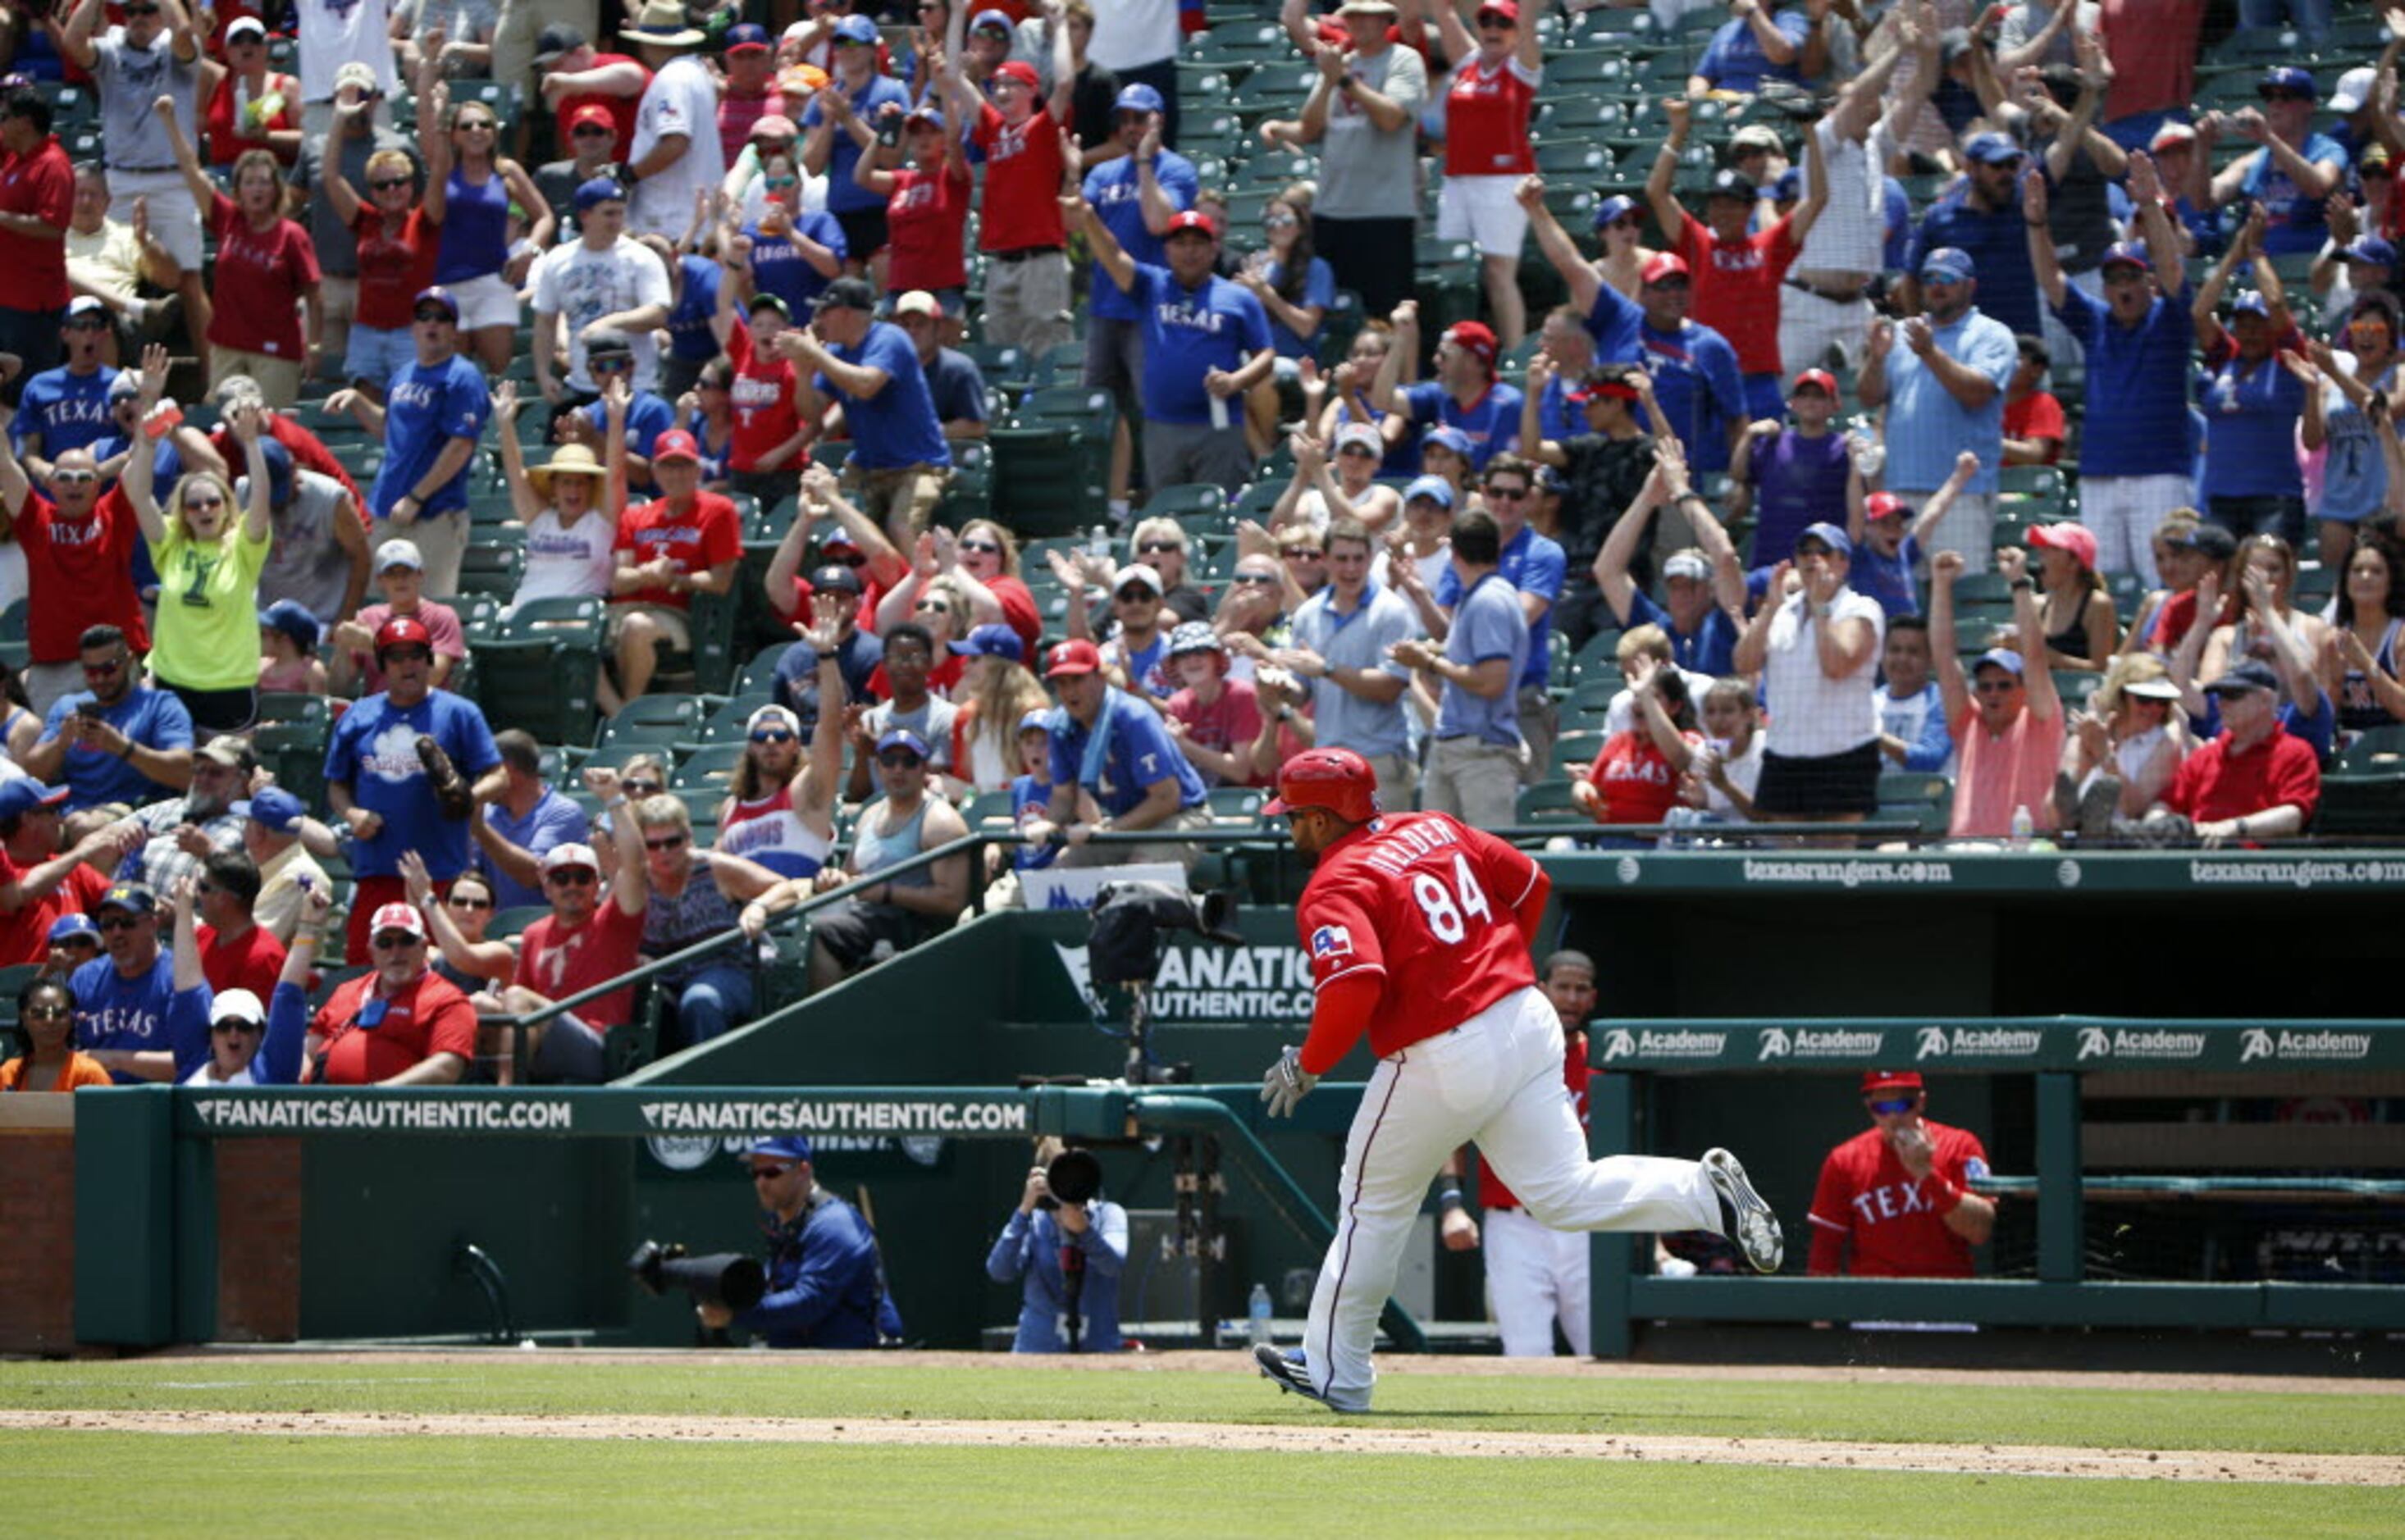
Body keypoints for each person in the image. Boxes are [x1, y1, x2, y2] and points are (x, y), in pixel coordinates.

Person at [1252, 748, 1781, 1413]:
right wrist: (1490, 966)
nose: (1290, 829)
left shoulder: (1333, 883)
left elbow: (1357, 982)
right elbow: (1531, 882)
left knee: (1371, 1205)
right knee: (1563, 1191)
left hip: (1446, 1049)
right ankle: (1703, 1193)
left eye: (1296, 816)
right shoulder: (1435, 826)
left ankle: (1338, 1372)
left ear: (1326, 819)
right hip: (1527, 1018)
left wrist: (1309, 1064)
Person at [2029, 162, 2191, 583]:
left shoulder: (2168, 320)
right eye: (2115, 279)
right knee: (2098, 587)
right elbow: (2052, 280)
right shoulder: (2096, 321)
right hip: (2099, 474)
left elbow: (2173, 271)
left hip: (2158, 475)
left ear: (2148, 283)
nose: (2124, 287)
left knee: (2165, 586)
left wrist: (2149, 207)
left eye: (2132, 278)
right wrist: (2036, 223)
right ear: (2104, 287)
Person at [1438, 950, 1597, 1356]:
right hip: (1514, 1222)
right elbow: (1452, 1129)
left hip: (1585, 1220)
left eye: (1581, 990)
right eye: (1563, 987)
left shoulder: (1602, 1063)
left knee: (1603, 1346)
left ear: (1593, 998)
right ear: (1541, 991)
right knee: (1526, 1352)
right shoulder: (1505, 1056)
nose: (1572, 998)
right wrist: (1453, 1203)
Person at [324, 614, 506, 963]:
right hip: (378, 869)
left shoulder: (459, 713)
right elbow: (337, 785)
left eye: (415, 655)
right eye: (396, 657)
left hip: (440, 872)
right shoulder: (358, 716)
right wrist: (351, 813)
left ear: (428, 660)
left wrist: (469, 796)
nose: (407, 665)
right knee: (367, 974)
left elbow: (499, 776)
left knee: (437, 973)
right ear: (382, 665)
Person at [1068, 197, 1273, 499]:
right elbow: (1113, 256)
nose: (1189, 251)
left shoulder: (1237, 298)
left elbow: (1266, 355)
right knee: (1168, 516)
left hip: (1218, 427)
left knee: (1220, 511)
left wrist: (1236, 381)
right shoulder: (1152, 285)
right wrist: (1088, 218)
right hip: (1162, 425)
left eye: (1198, 243)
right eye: (1181, 243)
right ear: (1167, 250)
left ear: (1214, 248)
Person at [1648, 102, 1829, 421]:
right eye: (1716, 205)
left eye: (1732, 205)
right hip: (1705, 376)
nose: (1722, 213)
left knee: (1762, 465)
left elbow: (1817, 199)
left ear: (1749, 210)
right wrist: (1677, 134)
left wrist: (1810, 133)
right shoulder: (1697, 241)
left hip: (1757, 380)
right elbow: (1657, 192)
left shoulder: (1770, 244)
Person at [121, 362, 275, 734]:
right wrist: (147, 425)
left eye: (213, 502)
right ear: (183, 513)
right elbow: (138, 494)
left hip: (229, 686)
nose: (204, 510)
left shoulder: (243, 546)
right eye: (194, 505)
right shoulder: (171, 541)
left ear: (226, 507)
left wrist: (251, 443)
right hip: (173, 684)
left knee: (228, 780)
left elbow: (260, 499)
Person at [60, 0, 211, 355]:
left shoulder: (175, 47)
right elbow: (72, 41)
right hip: (120, 183)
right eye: (131, 11)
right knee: (103, 279)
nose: (139, 18)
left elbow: (186, 33)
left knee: (189, 281)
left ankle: (213, 382)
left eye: (147, 10)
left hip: (172, 178)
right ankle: (107, 377)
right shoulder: (110, 48)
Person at [325, 285, 493, 599]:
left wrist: (417, 497)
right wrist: (358, 400)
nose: (432, 323)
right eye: (424, 316)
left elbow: (461, 446)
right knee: (376, 607)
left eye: (442, 318)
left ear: (454, 331)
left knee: (430, 611)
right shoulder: (402, 375)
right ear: (413, 326)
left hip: (436, 514)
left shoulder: (462, 376)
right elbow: (391, 428)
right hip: (387, 507)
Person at [484, 771, 650, 1084]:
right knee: (477, 1006)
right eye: (562, 878)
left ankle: (504, 1102)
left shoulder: (614, 921)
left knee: (517, 998)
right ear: (546, 888)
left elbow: (635, 866)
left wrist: (614, 799)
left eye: (582, 877)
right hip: (544, 1043)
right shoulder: (535, 934)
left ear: (596, 884)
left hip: (596, 1047)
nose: (572, 885)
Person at [1859, 248, 2017, 573]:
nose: (1937, 286)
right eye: (1930, 278)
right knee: (1904, 606)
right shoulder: (1903, 335)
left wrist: (1930, 352)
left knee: (1961, 603)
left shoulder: (1991, 335)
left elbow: (1976, 394)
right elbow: (1868, 397)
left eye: (1947, 279)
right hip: (1900, 494)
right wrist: (1875, 360)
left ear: (1969, 286)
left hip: (1961, 494)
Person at [156, 95, 321, 403]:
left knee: (269, 430)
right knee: (224, 429)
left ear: (276, 189)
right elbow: (191, 169)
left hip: (276, 351)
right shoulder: (228, 219)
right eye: (249, 183)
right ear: (238, 190)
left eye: (264, 182)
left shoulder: (292, 235)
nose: (257, 189)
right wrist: (169, 121)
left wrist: (313, 347)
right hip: (227, 347)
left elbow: (313, 293)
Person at [1079, 84, 1193, 516]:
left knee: (1155, 408)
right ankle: (1112, 504)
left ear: (1157, 122)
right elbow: (1075, 222)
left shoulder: (1177, 169)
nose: (1130, 127)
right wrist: (1072, 173)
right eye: (1124, 119)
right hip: (1105, 307)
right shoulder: (1102, 175)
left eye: (1139, 118)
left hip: (1153, 306)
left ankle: (1161, 497)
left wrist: (1145, 162)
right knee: (1102, 412)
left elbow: (1160, 220)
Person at [1732, 521, 1884, 827]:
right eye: (1805, 552)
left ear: (1843, 562)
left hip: (1843, 754)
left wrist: (1819, 607)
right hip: (1785, 753)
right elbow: (1744, 663)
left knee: (1834, 860)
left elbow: (1836, 665)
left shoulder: (1861, 609)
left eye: (1823, 552)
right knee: (1789, 863)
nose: (1812, 559)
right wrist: (1769, 609)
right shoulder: (1782, 612)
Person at [0, 417, 150, 718]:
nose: (74, 484)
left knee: (122, 756)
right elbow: (4, 464)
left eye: (84, 478)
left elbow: (144, 457)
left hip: (116, 664)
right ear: (51, 484)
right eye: (65, 477)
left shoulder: (115, 513)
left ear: (97, 485)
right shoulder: (36, 519)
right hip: (53, 666)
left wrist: (148, 398)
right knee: (49, 758)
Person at [786, 276, 952, 544]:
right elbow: (812, 414)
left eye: (824, 312)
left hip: (918, 465)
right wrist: (803, 374)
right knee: (835, 529)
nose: (818, 320)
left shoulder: (890, 338)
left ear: (845, 313)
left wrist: (816, 354)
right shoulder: (837, 351)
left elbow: (867, 385)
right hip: (868, 466)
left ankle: (922, 585)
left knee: (902, 528)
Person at [632, 791, 803, 1048]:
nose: (664, 852)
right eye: (653, 845)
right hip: (666, 981)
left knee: (701, 1000)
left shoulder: (715, 869)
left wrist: (758, 907)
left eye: (673, 842)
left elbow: (786, 888)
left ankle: (707, 1083)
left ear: (688, 837)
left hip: (731, 969)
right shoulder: (637, 883)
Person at [701, 1133, 903, 1348]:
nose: (761, 1182)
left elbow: (810, 1302)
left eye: (772, 1171)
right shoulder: (784, 1222)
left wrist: (735, 1313)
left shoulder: (835, 1223)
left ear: (803, 1169)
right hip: (804, 1362)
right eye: (756, 1172)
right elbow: (774, 1291)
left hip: (856, 1365)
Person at [1023, 639, 1212, 868]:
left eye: (1077, 680)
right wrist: (1050, 822)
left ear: (1099, 677)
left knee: (1138, 877)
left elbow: (1166, 798)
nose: (1070, 691)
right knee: (1062, 870)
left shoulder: (1133, 718)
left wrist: (1106, 830)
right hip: (1124, 820)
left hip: (1180, 815)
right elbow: (1064, 795)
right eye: (1060, 683)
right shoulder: (1060, 727)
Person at [1418, 0, 1541, 349]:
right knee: (1452, 271)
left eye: (1503, 23)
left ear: (1516, 33)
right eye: (1485, 21)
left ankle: (1513, 353)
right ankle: (1457, 349)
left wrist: (1527, 16)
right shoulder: (1470, 64)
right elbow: (1443, 12)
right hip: (1458, 179)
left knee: (1498, 272)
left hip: (1503, 180)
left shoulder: (1521, 69)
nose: (1493, 29)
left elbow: (1530, 26)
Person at [1291, 0, 1425, 321]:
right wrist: (1329, 80)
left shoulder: (1404, 59)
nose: (1361, 23)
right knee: (1333, 316)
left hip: (1384, 212)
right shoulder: (1338, 64)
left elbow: (1391, 118)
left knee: (1388, 315)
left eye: (1370, 17)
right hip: (1332, 210)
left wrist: (1346, 81)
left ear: (1385, 22)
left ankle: (1399, 372)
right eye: (1354, 16)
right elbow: (1309, 128)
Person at [1391, 507, 1524, 827]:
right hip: (1453, 745)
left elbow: (1492, 680)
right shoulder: (1476, 596)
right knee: (1439, 859)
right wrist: (1421, 598)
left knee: (1486, 862)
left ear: (1454, 551)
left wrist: (1429, 661)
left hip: (1482, 751)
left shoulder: (1489, 600)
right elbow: (1463, 652)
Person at [411, 65, 546, 378]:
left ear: (494, 132)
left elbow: (544, 217)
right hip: (447, 284)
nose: (476, 130)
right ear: (455, 134)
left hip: (494, 283)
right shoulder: (443, 167)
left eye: (484, 124)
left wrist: (529, 250)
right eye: (467, 125)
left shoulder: (507, 171)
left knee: (500, 374)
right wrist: (431, 65)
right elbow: (427, 128)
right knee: (450, 375)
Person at [806, 726, 968, 987]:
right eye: (889, 760)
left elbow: (952, 901)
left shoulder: (941, 822)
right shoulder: (870, 816)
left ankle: (825, 1024)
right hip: (868, 918)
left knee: (827, 932)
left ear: (924, 768)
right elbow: (852, 877)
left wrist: (887, 892)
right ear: (879, 766)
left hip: (915, 927)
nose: (898, 769)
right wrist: (834, 880)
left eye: (909, 761)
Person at [1275, 517, 1420, 794]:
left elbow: (1390, 687)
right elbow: (1300, 692)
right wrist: (1276, 688)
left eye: (1358, 559)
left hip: (1379, 760)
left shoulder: (1392, 611)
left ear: (1370, 559)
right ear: (1326, 560)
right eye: (1342, 559)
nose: (1351, 568)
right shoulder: (1308, 614)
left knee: (1379, 840)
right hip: (1328, 761)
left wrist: (1327, 668)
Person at [1931, 546, 2066, 839]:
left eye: (2004, 685)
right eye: (1985, 686)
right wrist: (1941, 586)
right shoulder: (1968, 723)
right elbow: (1943, 657)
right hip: (1966, 858)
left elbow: (2035, 657)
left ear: (2023, 689)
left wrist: (2019, 583)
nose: (1993, 693)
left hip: (2023, 858)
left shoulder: (2040, 722)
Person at [1806, 1070, 1995, 1278]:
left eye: (1903, 1105)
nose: (1894, 1117)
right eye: (1883, 1108)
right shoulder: (1845, 1160)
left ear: (1921, 1102)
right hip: (1876, 1299)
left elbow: (1980, 1231)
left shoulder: (1959, 1145)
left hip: (1947, 1295)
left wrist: (1926, 1174)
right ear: (1870, 1108)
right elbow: (1825, 1250)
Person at [605, 428, 739, 713]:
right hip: (624, 606)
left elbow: (721, 581)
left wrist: (674, 580)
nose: (676, 475)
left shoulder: (718, 511)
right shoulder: (636, 515)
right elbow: (618, 580)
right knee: (574, 633)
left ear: (697, 468)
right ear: (655, 470)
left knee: (636, 627)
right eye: (668, 466)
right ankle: (617, 714)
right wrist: (649, 574)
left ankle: (628, 713)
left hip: (678, 614)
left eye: (684, 465)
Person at [2127, 659, 2321, 845]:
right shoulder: (2206, 755)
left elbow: (2293, 815)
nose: (2221, 704)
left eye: (2233, 695)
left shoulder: (2295, 753)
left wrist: (2233, 828)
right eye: (2220, 696)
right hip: (2195, 852)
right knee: (2129, 835)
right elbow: (2167, 802)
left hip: (2250, 863)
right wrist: (2156, 826)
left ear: (2265, 699)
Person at [531, 180, 672, 418]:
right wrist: (543, 373)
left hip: (635, 385)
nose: (616, 220)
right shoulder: (558, 260)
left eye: (620, 213)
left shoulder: (641, 258)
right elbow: (545, 322)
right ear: (585, 215)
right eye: (608, 213)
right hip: (582, 384)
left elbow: (658, 314)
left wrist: (607, 324)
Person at [298, 897, 472, 1085]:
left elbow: (447, 1067)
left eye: (406, 941)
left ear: (423, 946)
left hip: (400, 1109)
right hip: (331, 1105)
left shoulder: (448, 999)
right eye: (385, 943)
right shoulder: (345, 991)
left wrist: (381, 1094)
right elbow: (309, 1052)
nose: (396, 952)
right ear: (371, 951)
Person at [23, 623, 195, 810]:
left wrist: (122, 747)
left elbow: (185, 774)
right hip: (72, 814)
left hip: (134, 815)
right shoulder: (67, 707)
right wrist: (60, 744)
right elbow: (31, 774)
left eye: (109, 669)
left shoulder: (160, 705)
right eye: (91, 671)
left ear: (129, 661)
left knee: (84, 825)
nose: (100, 679)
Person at [987, 1137, 1129, 1353]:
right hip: (1036, 1349)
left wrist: (1085, 1231)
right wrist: (1024, 1210)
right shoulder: (1034, 1221)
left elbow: (1113, 1265)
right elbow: (999, 1271)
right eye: (1061, 1175)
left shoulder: (1108, 1214)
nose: (1069, 1184)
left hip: (1098, 1347)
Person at [2208, 66, 2348, 259]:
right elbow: (2205, 200)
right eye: (2270, 97)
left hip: (2308, 268)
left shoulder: (2328, 150)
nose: (2276, 104)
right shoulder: (2253, 161)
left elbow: (2319, 187)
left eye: (2285, 97)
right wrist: (2200, 145)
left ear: (2310, 105)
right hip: (2257, 269)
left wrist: (2268, 138)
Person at [618, 0, 724, 243]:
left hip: (673, 225)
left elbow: (676, 142)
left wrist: (629, 175)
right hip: (690, 221)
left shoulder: (672, 78)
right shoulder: (693, 71)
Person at [720, 688, 842, 882]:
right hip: (745, 908)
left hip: (800, 904)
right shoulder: (730, 808)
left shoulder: (805, 793)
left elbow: (830, 728)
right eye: (760, 736)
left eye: (781, 736)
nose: (770, 742)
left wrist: (827, 659)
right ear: (750, 748)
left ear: (795, 745)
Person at [107, 733, 248, 896]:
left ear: (243, 782)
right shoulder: (167, 808)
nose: (203, 778)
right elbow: (102, 835)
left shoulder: (248, 826)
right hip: (123, 909)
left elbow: (253, 880)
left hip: (188, 917)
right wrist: (123, 832)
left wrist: (210, 852)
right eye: (199, 770)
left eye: (215, 773)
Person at [0, 778, 118, 967]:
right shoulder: (7, 869)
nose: (60, 819)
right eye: (52, 811)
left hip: (72, 985)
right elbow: (17, 894)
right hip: (14, 989)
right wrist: (79, 853)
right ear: (27, 819)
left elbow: (117, 897)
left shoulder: (69, 867)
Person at [68, 879, 177, 1082]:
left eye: (127, 922)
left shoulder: (179, 978)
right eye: (108, 924)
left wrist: (115, 1059)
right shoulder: (84, 978)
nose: (117, 932)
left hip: (159, 1104)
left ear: (153, 924)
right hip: (93, 1100)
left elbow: (193, 1063)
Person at [0, 86, 75, 379]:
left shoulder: (53, 165)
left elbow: (53, 226)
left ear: (25, 123)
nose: (1, 123)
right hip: (8, 296)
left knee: (29, 387)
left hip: (34, 304)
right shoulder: (17, 158)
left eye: (5, 117)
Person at [470, 728, 591, 912]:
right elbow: (469, 873)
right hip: (492, 930)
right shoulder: (488, 813)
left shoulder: (563, 812)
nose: (480, 781)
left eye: (487, 772)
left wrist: (480, 830)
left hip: (547, 930)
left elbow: (535, 875)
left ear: (508, 770)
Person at [232, 786, 327, 944]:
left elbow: (251, 942)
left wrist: (182, 917)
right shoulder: (260, 864)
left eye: (247, 822)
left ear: (258, 831)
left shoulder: (298, 876)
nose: (244, 830)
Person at [2029, 522, 2117, 671]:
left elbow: (2101, 669)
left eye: (2053, 548)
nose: (2042, 554)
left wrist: (2046, 655)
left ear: (2074, 562)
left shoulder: (2097, 605)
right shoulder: (2036, 605)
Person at [0, 975, 113, 1091]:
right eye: (39, 1015)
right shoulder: (9, 1074)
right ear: (24, 1019)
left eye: (59, 1014)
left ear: (71, 1018)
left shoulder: (90, 1075)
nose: (50, 1021)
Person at [1876, 615, 1955, 778]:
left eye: (1913, 652)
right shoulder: (1869, 702)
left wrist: (1873, 735)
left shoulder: (1942, 700)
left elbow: (1930, 759)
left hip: (1928, 802)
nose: (1902, 659)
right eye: (1895, 650)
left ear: (1930, 659)